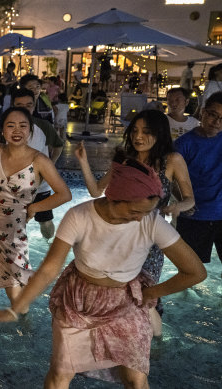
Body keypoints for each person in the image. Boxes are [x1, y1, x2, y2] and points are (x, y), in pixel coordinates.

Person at [0, 152, 207, 389]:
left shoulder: (151, 220)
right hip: (78, 301)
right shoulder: (80, 217)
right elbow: (49, 269)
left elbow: (195, 272)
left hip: (126, 302)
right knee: (60, 375)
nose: (140, 219)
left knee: (136, 380)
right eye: (134, 212)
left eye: (146, 212)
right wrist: (15, 309)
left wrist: (151, 293)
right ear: (114, 198)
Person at [77, 110, 195, 335]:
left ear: (159, 134)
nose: (138, 137)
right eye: (135, 131)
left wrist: (176, 207)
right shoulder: (124, 160)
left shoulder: (172, 160)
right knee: (117, 289)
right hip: (118, 234)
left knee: (142, 290)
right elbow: (95, 191)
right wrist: (83, 162)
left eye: (146, 132)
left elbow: (190, 199)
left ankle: (153, 339)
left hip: (150, 236)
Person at [0, 104, 71, 308]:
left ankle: (23, 328)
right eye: (11, 125)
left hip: (14, 228)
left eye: (23, 126)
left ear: (30, 130)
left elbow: (64, 194)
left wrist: (35, 208)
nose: (17, 131)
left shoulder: (40, 160)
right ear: (2, 130)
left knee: (16, 279)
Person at [175, 92, 222, 268]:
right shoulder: (183, 144)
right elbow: (171, 178)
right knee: (189, 270)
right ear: (202, 112)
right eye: (212, 114)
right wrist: (183, 200)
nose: (217, 122)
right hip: (194, 216)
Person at [12, 88, 65, 240]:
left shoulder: (43, 126)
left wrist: (50, 164)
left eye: (28, 105)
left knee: (46, 221)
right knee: (14, 222)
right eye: (19, 105)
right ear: (13, 106)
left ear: (34, 106)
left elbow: (58, 145)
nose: (24, 108)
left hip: (41, 186)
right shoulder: (7, 127)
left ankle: (48, 244)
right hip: (16, 186)